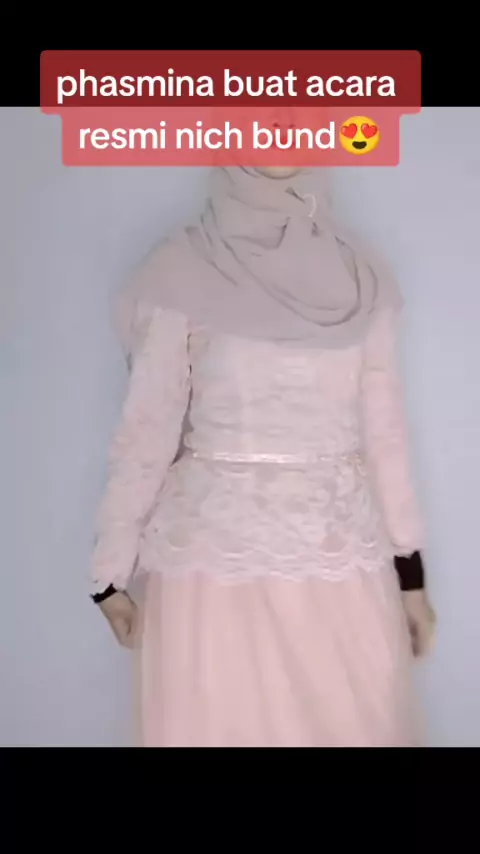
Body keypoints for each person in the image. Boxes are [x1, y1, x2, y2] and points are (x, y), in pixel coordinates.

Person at [90, 165, 435, 747]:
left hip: (337, 562)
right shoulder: (180, 269)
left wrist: (412, 577)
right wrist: (108, 574)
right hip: (213, 575)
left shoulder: (360, 274)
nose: (280, 126)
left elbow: (385, 434)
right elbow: (146, 430)